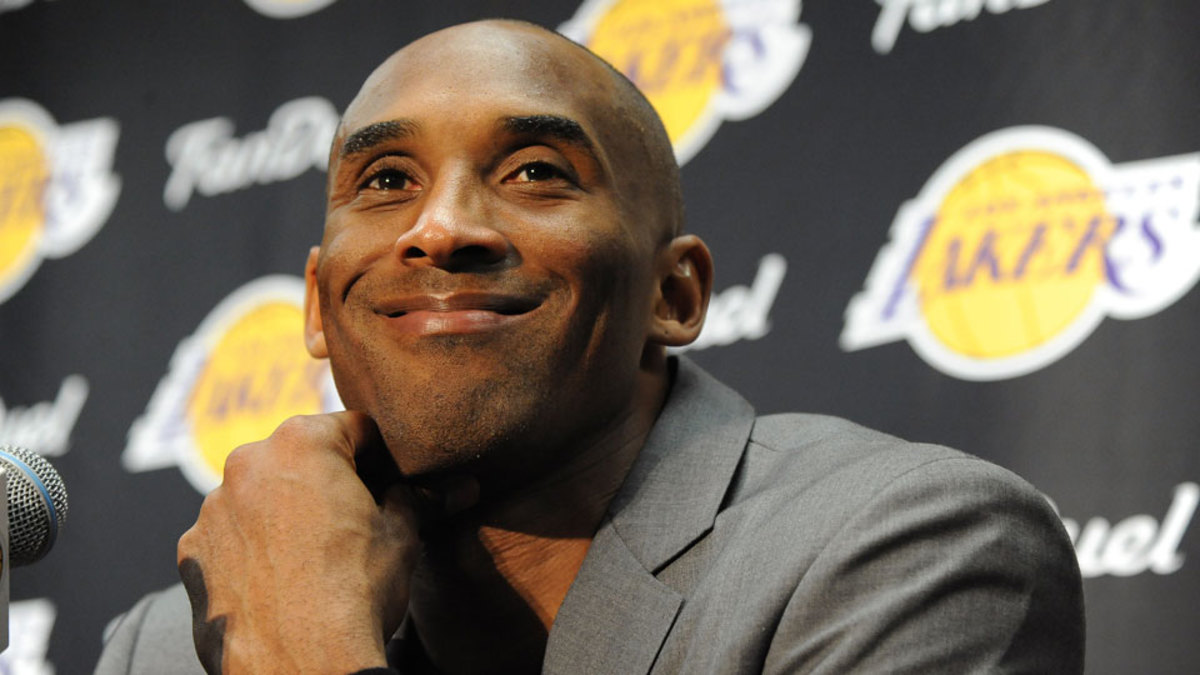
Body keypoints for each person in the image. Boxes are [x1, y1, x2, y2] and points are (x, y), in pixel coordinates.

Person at [95, 19, 1085, 675]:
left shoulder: (902, 553)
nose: (440, 228)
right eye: (387, 179)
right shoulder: (166, 646)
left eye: (534, 171)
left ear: (673, 294)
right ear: (317, 303)